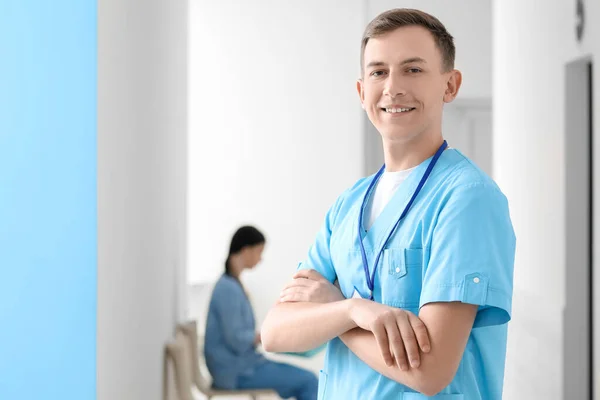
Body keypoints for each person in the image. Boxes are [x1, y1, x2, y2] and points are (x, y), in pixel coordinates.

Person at [260, 8, 515, 400]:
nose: (393, 87)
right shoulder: (349, 206)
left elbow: (430, 372)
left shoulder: (467, 199)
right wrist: (352, 311)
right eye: (378, 72)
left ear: (450, 85)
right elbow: (276, 332)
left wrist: (338, 308)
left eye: (413, 70)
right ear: (362, 93)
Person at [204, 225, 318, 400]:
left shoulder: (231, 284)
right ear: (246, 250)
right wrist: (263, 336)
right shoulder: (227, 288)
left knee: (306, 379)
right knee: (309, 381)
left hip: (242, 365)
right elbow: (235, 339)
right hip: (235, 371)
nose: (260, 258)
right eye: (259, 251)